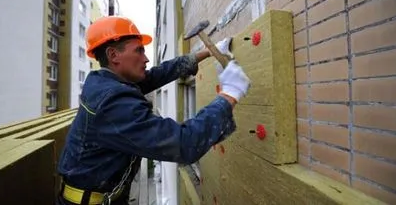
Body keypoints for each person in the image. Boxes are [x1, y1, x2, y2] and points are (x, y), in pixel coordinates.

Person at [56, 16, 250, 205]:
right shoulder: (112, 103)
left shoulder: (106, 83)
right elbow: (184, 143)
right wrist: (230, 94)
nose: (146, 58)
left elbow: (156, 75)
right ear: (113, 55)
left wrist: (206, 52)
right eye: (139, 51)